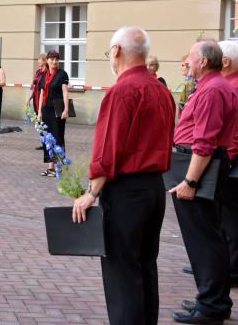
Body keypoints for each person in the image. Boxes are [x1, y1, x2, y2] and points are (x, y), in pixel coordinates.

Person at [72, 27, 175, 325]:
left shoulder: (121, 92)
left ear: (116, 51)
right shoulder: (161, 90)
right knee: (145, 266)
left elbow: (107, 151)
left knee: (123, 274)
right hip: (155, 188)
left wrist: (91, 193)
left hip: (127, 192)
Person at [170, 39, 238, 324]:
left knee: (204, 239)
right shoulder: (213, 86)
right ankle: (213, 300)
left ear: (205, 62)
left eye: (192, 57)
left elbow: (205, 142)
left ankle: (211, 305)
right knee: (209, 236)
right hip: (201, 164)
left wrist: (190, 180)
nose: (188, 61)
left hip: (200, 167)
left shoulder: (213, 89)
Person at [218, 40, 238, 288]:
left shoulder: (231, 87)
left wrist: (227, 161)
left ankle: (231, 268)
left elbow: (233, 134)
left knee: (229, 219)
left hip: (231, 163)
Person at [37, 50, 70, 177]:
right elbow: (41, 94)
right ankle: (50, 167)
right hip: (46, 110)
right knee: (47, 138)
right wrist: (39, 111)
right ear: (47, 60)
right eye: (52, 59)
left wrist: (66, 109)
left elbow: (65, 93)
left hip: (58, 110)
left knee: (57, 137)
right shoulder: (44, 75)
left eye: (56, 59)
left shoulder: (62, 74)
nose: (54, 61)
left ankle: (59, 166)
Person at [26, 53, 48, 151]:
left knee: (44, 121)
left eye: (39, 59)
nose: (38, 61)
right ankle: (43, 143)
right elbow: (34, 87)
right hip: (35, 99)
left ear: (44, 61)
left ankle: (48, 142)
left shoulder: (47, 72)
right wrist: (29, 99)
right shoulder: (38, 72)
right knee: (39, 122)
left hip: (43, 101)